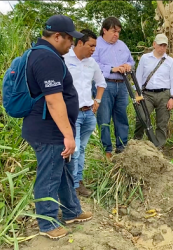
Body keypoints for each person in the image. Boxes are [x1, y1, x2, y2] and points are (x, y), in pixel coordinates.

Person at [22, 15, 92, 239]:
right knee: (49, 176)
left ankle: (72, 211)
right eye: (70, 38)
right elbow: (54, 100)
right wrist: (68, 135)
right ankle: (48, 223)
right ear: (57, 36)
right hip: (49, 129)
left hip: (49, 127)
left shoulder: (44, 54)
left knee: (61, 173)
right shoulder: (46, 58)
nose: (72, 43)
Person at [64, 29, 107, 197]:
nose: (93, 49)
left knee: (81, 149)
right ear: (80, 43)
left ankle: (77, 182)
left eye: (95, 46)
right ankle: (71, 184)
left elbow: (101, 83)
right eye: (91, 45)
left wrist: (97, 100)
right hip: (72, 113)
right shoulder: (65, 59)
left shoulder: (92, 63)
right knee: (73, 150)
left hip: (88, 113)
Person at [92, 17, 135, 158]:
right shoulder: (96, 44)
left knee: (121, 116)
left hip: (122, 85)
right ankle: (107, 150)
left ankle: (122, 147)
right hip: (104, 84)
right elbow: (93, 64)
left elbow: (131, 61)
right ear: (104, 30)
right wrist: (112, 68)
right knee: (104, 118)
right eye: (113, 31)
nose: (116, 34)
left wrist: (128, 65)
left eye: (118, 32)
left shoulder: (122, 45)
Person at [134, 34, 173, 148]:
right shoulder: (145, 58)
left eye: (164, 45)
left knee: (162, 123)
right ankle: (136, 143)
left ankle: (158, 147)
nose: (162, 48)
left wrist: (172, 98)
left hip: (164, 94)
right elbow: (138, 77)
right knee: (141, 118)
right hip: (147, 94)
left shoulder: (170, 61)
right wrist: (137, 93)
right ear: (154, 44)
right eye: (160, 45)